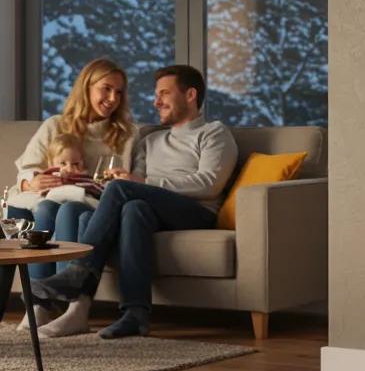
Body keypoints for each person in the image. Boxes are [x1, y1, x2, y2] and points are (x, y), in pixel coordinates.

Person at [32, 64, 238, 340]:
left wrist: (139, 184)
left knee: (123, 191)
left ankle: (79, 273)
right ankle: (132, 314)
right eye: (156, 95)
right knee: (127, 208)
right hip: (152, 209)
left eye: (164, 93)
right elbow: (135, 186)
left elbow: (210, 183)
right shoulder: (150, 141)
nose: (156, 101)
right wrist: (127, 182)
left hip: (196, 211)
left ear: (190, 95)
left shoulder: (213, 133)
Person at [7, 58, 137, 329]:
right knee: (45, 209)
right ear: (86, 87)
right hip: (49, 199)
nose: (112, 98)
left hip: (95, 202)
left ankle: (68, 304)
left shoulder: (127, 135)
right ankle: (38, 306)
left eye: (119, 92)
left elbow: (123, 184)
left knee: (68, 210)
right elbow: (25, 173)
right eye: (106, 88)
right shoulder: (55, 125)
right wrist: (33, 182)